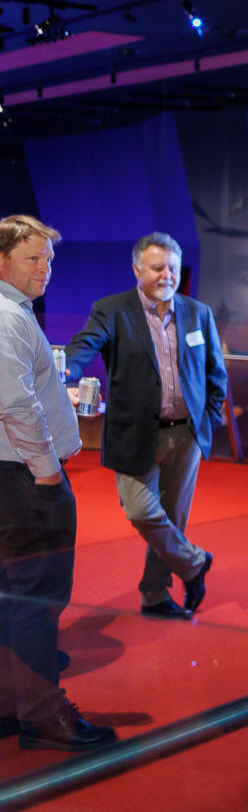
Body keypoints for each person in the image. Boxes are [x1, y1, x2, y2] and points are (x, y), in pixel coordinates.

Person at [64, 232, 227, 620]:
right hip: (135, 433)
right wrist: (64, 371)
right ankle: (194, 563)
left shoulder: (198, 313)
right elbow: (83, 347)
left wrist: (207, 419)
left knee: (173, 518)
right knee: (141, 511)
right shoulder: (112, 310)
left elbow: (215, 373)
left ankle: (155, 594)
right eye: (157, 268)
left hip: (186, 434)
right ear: (137, 270)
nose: (167, 275)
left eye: (172, 268)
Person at [0, 214, 116, 750]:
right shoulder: (7, 317)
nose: (45, 268)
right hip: (24, 480)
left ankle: (12, 705)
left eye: (48, 259)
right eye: (33, 257)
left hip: (14, 476)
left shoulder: (14, 312)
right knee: (36, 600)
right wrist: (47, 471)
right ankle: (43, 714)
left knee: (13, 597)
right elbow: (16, 405)